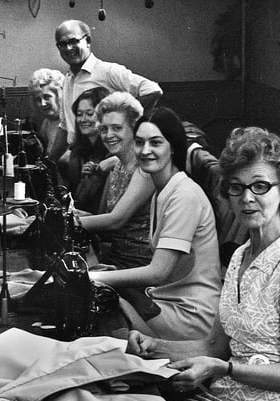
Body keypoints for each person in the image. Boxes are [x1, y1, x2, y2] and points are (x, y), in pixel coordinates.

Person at [126, 126, 280, 401]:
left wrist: (224, 369)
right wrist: (154, 347)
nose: (247, 198)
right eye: (237, 188)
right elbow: (213, 347)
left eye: (260, 186)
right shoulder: (239, 256)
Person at [90, 107, 221, 341]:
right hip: (168, 302)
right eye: (139, 143)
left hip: (191, 318)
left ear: (173, 147)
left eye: (156, 143)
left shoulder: (184, 195)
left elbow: (158, 272)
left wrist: (92, 277)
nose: (145, 151)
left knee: (101, 312)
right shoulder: (163, 190)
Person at [48, 19, 162, 163]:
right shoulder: (67, 80)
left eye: (74, 41)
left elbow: (152, 91)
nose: (68, 48)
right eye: (62, 44)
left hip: (107, 154)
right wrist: (47, 161)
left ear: (88, 41)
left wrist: (127, 125)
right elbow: (65, 128)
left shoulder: (107, 71)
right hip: (80, 156)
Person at [77, 92, 154, 269]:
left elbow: (115, 220)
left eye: (117, 128)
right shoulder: (117, 165)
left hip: (138, 264)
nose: (108, 135)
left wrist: (67, 221)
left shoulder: (145, 168)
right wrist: (73, 215)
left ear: (135, 129)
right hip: (116, 257)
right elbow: (104, 217)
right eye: (104, 129)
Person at [65, 87, 109, 213]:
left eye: (90, 114)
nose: (83, 119)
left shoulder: (112, 151)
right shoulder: (76, 151)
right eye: (79, 115)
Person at [28, 68, 65, 156]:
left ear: (59, 96)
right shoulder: (47, 122)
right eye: (38, 99)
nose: (42, 104)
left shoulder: (68, 121)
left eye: (47, 97)